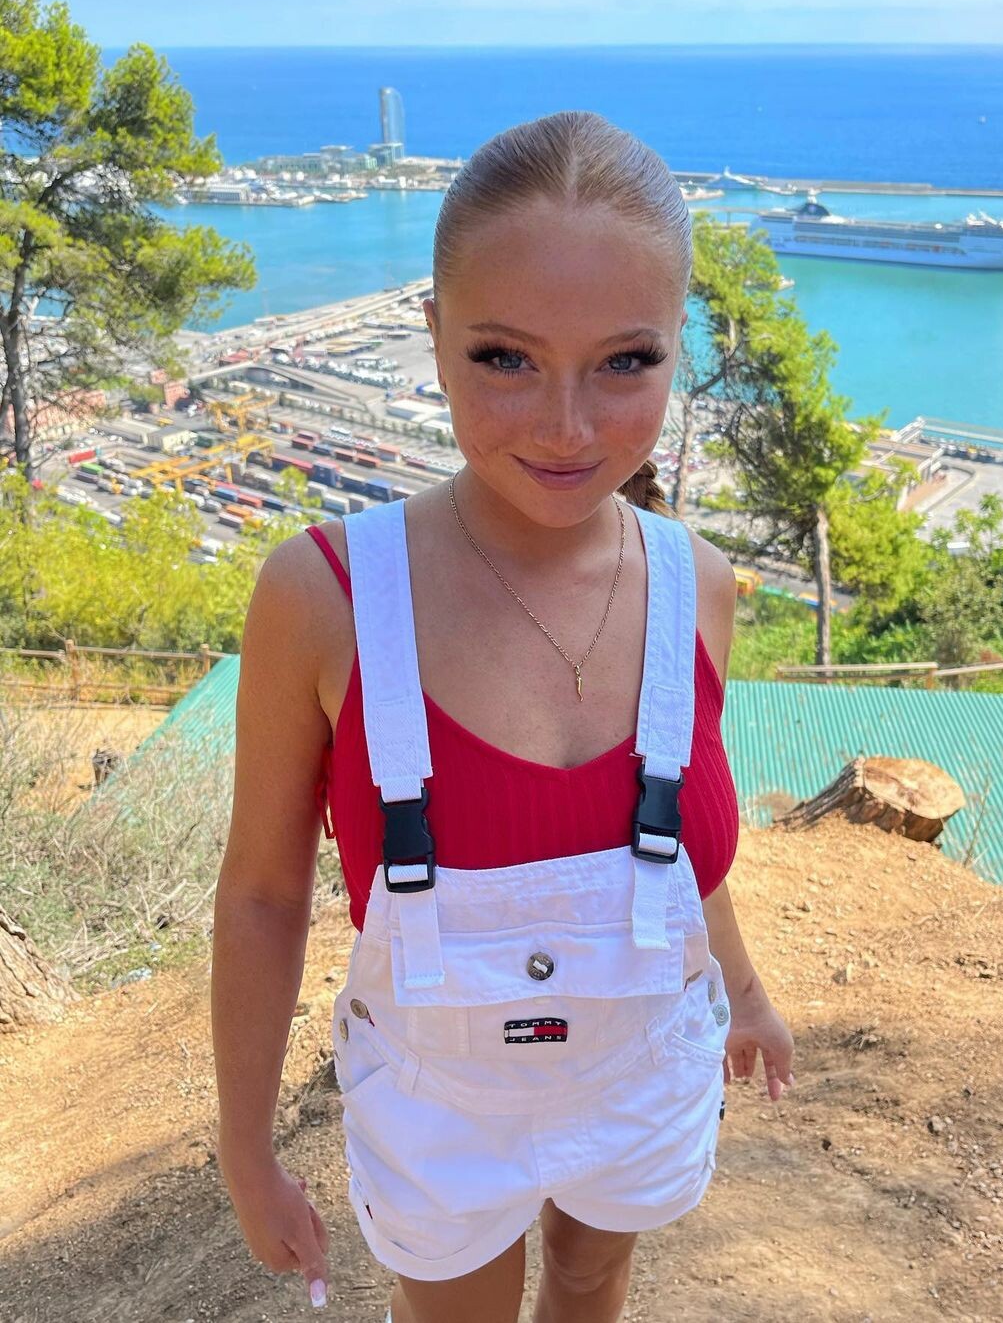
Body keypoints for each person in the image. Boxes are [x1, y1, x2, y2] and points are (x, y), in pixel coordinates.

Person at [213, 110, 795, 1323]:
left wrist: (742, 993)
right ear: (434, 337)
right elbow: (263, 894)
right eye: (504, 358)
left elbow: (677, 849)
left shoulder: (701, 587)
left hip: (642, 1067)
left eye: (625, 362)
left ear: (676, 348)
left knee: (592, 1275)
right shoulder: (325, 597)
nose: (567, 427)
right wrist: (248, 1148)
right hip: (438, 1103)